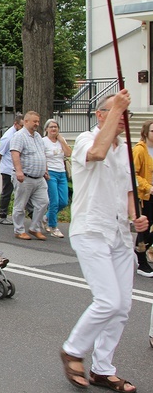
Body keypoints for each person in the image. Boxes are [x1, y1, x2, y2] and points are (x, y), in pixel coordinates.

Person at [60, 90, 148, 392]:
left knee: (122, 306)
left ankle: (102, 368)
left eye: (127, 114)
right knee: (108, 300)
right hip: (91, 230)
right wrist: (116, 110)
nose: (123, 119)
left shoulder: (125, 150)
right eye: (116, 113)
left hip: (120, 234)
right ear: (100, 115)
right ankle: (72, 350)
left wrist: (136, 216)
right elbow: (97, 153)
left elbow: (126, 191)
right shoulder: (86, 139)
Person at [10, 111, 49, 240]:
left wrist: (45, 169)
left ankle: (34, 228)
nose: (37, 124)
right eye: (34, 121)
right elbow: (15, 154)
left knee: (44, 202)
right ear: (26, 121)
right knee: (20, 205)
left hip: (39, 178)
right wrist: (19, 171)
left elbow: (42, 154)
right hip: (25, 177)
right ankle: (19, 230)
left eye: (38, 121)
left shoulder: (38, 136)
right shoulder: (19, 136)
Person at [43, 119, 72, 238]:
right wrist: (45, 170)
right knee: (54, 201)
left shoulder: (61, 140)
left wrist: (61, 141)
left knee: (64, 201)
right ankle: (53, 226)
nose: (54, 129)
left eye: (55, 127)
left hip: (61, 172)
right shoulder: (43, 141)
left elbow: (68, 153)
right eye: (51, 127)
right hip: (51, 173)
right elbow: (42, 156)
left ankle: (46, 217)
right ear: (46, 129)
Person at [132, 120, 153, 277]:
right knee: (145, 227)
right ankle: (141, 261)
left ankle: (141, 250)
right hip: (145, 196)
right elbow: (134, 174)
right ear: (145, 132)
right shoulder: (140, 150)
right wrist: (148, 187)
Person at [0, 113, 23, 225]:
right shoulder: (8, 137)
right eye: (21, 125)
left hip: (16, 168)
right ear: (15, 124)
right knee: (7, 191)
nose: (23, 128)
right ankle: (3, 215)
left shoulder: (20, 135)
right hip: (8, 169)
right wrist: (3, 165)